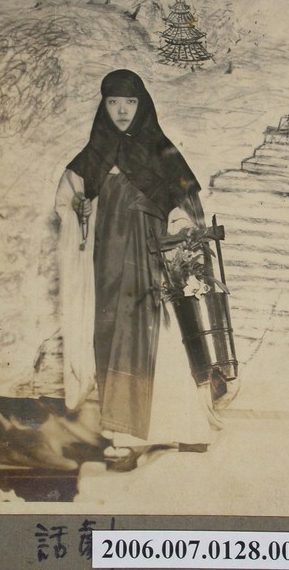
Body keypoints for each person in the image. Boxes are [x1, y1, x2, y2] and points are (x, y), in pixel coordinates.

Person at [55, 69, 216, 471]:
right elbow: (70, 200)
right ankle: (125, 437)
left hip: (156, 265)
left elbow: (189, 206)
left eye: (130, 102)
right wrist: (79, 207)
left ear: (142, 106)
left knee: (169, 339)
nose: (122, 110)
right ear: (104, 107)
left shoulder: (163, 152)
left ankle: (188, 428)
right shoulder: (93, 156)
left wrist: (180, 233)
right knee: (117, 341)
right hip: (110, 269)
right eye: (113, 102)